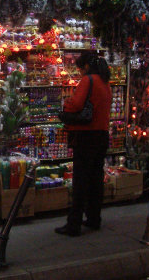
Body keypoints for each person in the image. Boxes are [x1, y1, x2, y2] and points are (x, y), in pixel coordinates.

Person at [55, 53, 111, 237]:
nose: (79, 72)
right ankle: (94, 218)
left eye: (80, 68)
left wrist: (66, 104)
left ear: (86, 66)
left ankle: (74, 224)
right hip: (101, 135)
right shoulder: (104, 82)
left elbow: (76, 104)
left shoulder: (88, 81)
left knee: (80, 180)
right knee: (96, 179)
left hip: (86, 136)